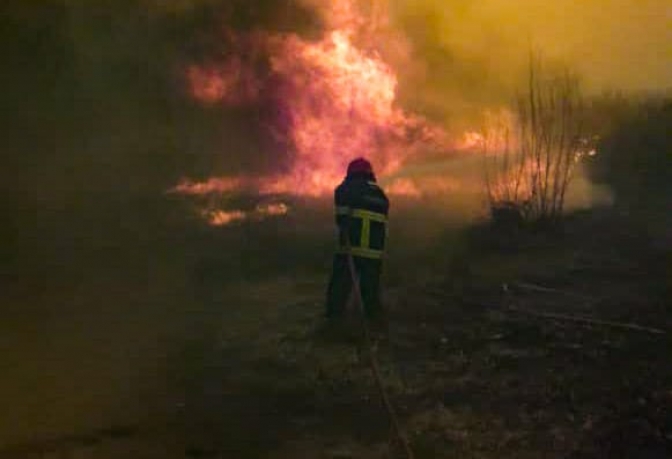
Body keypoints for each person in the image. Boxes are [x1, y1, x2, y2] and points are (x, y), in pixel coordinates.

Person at [326, 157, 389, 321]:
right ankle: (374, 321)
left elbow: (341, 218)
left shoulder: (347, 188)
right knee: (370, 290)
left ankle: (334, 321)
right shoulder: (381, 194)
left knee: (340, 286)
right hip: (374, 252)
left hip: (351, 248)